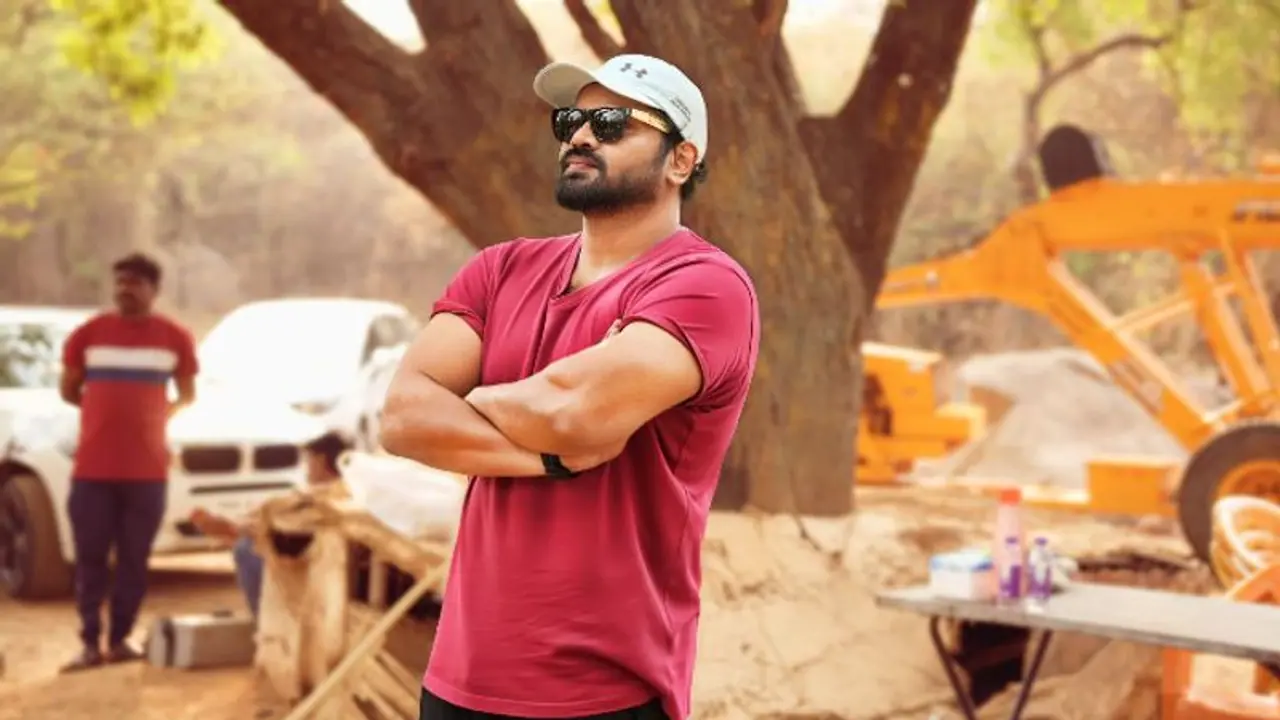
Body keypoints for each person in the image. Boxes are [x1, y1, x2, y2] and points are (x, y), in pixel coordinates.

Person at [379, 54, 760, 720]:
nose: (580, 135)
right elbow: (403, 418)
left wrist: (473, 403)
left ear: (680, 159)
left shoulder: (707, 286)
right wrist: (551, 458)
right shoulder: (501, 268)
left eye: (611, 123)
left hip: (604, 691)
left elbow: (572, 413)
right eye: (570, 121)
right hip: (459, 679)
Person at [58, 252, 199, 672]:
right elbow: (69, 389)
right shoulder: (88, 334)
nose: (125, 289)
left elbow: (187, 395)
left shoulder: (175, 337)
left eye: (135, 282)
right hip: (93, 472)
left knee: (135, 559)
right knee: (90, 559)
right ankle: (89, 644)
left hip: (147, 474)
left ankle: (120, 639)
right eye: (120, 281)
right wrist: (101, 413)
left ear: (154, 290)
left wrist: (155, 416)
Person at [189, 431, 350, 618]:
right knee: (249, 543)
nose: (307, 467)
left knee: (246, 550)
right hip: (314, 550)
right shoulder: (338, 490)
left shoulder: (328, 494)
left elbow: (294, 528)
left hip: (317, 556)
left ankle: (263, 619)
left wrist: (240, 530)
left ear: (320, 461)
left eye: (309, 460)